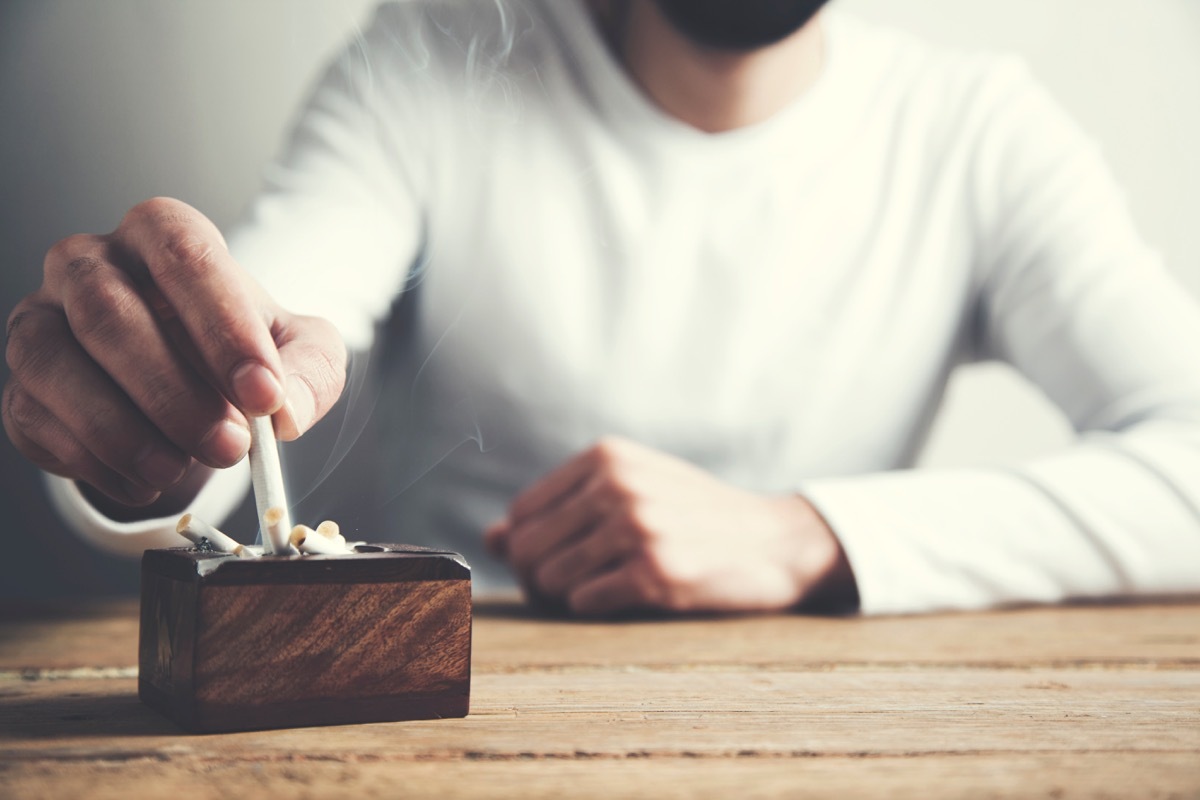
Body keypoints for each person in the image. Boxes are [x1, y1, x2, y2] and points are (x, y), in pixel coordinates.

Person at [5, 0, 1200, 616]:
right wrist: (150, 429)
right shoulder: (435, 56)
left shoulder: (976, 135)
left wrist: (809, 532)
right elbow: (266, 335)